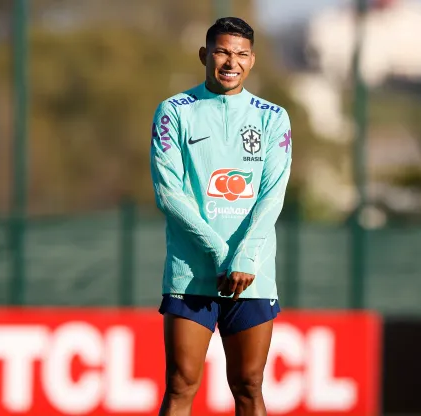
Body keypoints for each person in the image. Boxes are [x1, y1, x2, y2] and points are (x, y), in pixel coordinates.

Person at [149, 16, 292, 416]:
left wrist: (244, 258)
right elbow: (169, 193)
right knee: (180, 384)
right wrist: (219, 252)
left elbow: (272, 195)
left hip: (252, 273)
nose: (232, 62)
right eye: (222, 52)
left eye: (241, 54)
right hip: (192, 271)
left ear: (252, 60)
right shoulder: (174, 111)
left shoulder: (272, 117)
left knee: (249, 386)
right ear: (204, 55)